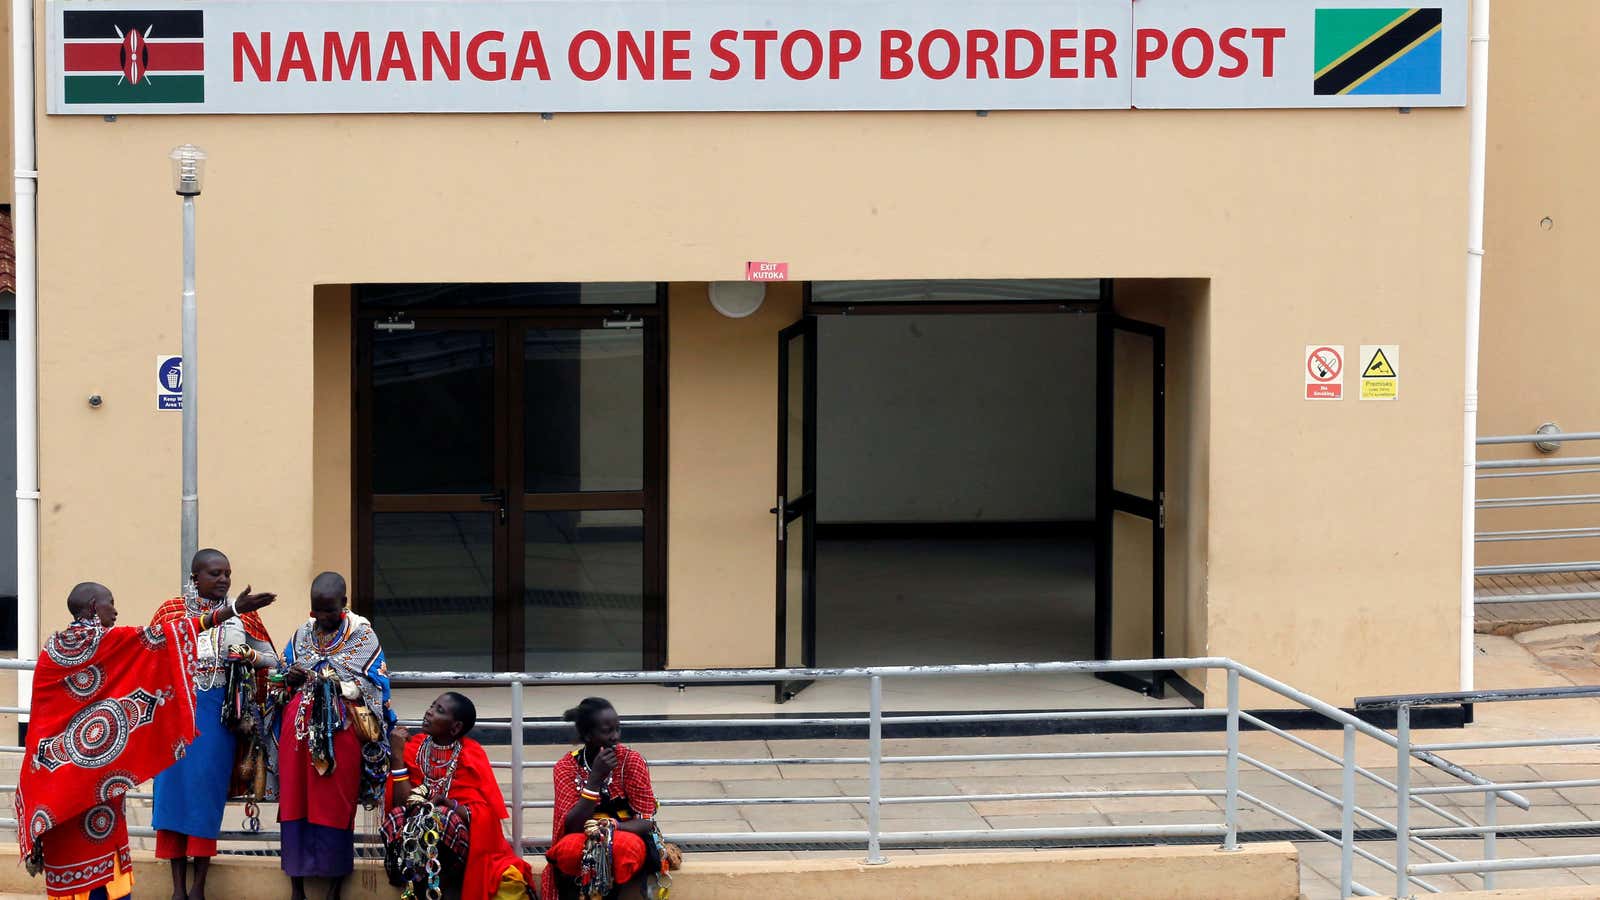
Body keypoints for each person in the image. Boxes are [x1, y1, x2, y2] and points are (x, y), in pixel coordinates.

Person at [17, 582, 278, 900]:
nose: (115, 610)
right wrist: (232, 610)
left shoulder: (52, 647)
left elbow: (43, 717)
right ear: (92, 609)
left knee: (69, 856)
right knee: (98, 854)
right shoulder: (108, 642)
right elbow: (171, 634)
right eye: (110, 603)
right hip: (92, 778)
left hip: (56, 778)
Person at [149, 549, 279, 900]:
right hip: (175, 720)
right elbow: (150, 656)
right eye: (215, 573)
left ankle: (198, 889)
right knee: (171, 800)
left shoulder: (244, 617)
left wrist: (248, 657)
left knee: (206, 799)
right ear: (195, 578)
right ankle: (177, 889)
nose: (223, 580)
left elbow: (272, 660)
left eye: (227, 573)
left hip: (217, 720)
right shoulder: (171, 611)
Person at [278, 572, 395, 900]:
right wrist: (291, 675)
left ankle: (333, 886)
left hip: (339, 731)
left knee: (333, 803)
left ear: (344, 604)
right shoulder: (302, 633)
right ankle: (296, 886)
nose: (320, 617)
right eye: (316, 610)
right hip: (298, 730)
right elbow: (283, 672)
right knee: (295, 801)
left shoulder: (362, 636)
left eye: (329, 610)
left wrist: (338, 684)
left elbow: (377, 684)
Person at [382, 692, 535, 900]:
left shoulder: (470, 754)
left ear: (455, 727)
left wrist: (448, 804)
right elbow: (399, 804)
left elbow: (483, 812)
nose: (429, 711)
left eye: (439, 710)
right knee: (399, 818)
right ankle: (418, 886)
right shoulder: (414, 747)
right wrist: (397, 758)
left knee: (440, 819)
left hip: (457, 843)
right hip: (416, 839)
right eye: (432, 705)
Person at [541, 698, 665, 900]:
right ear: (588, 735)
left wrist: (610, 828)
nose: (615, 737)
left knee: (615, 850)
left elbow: (646, 821)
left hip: (626, 833)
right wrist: (594, 780)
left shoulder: (631, 761)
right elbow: (570, 826)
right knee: (568, 852)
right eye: (608, 731)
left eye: (618, 729)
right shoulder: (566, 767)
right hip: (582, 834)